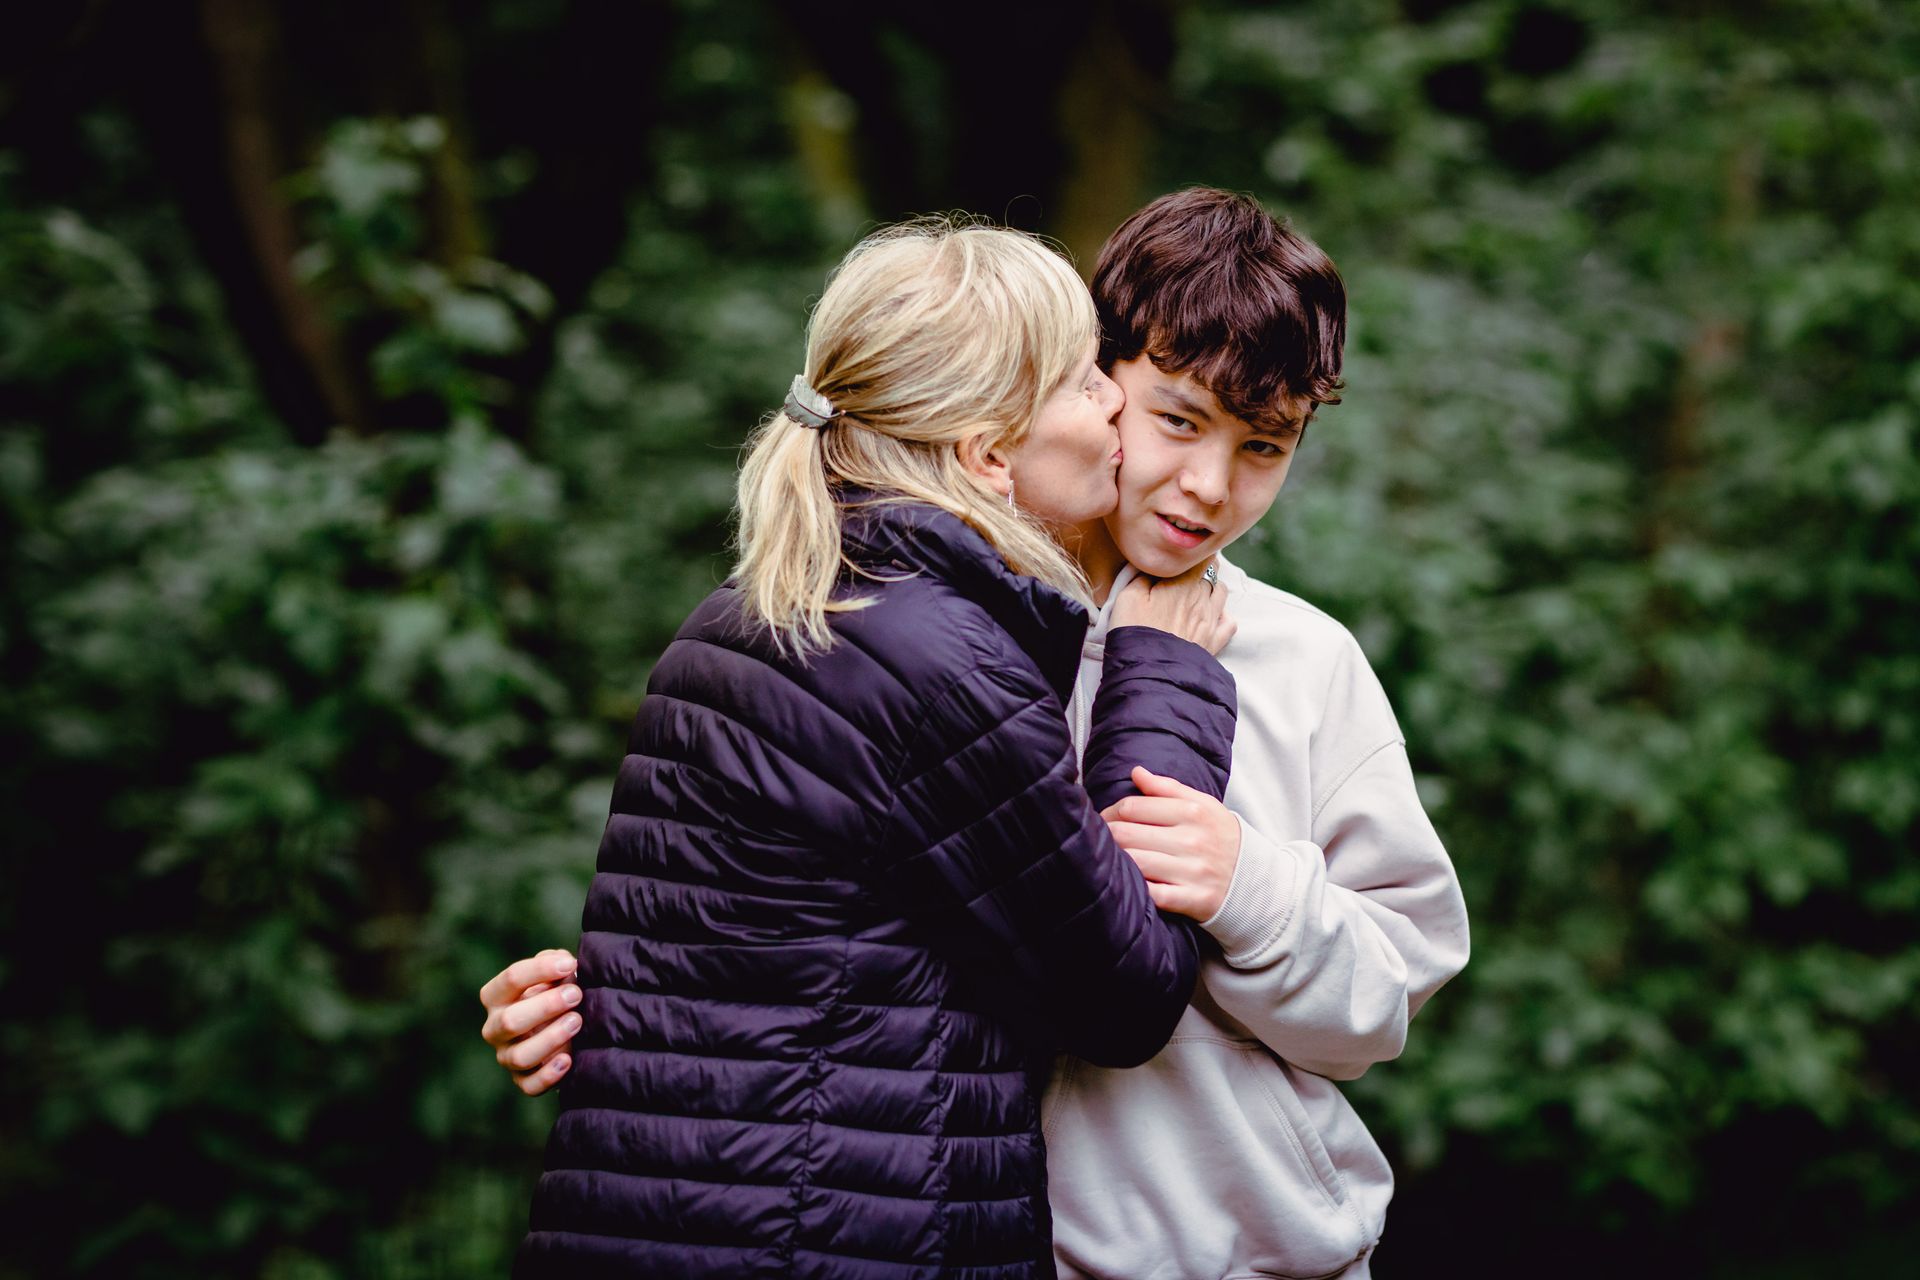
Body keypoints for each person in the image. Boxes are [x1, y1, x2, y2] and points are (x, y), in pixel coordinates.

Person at [489, 190, 1471, 1278]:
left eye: (1265, 447)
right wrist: (614, 1001)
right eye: (1177, 418)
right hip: (968, 1242)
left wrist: (1255, 889)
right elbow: (828, 930)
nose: (1209, 484)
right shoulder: (898, 629)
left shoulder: (1305, 659)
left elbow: (1383, 1007)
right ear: (1083, 385)